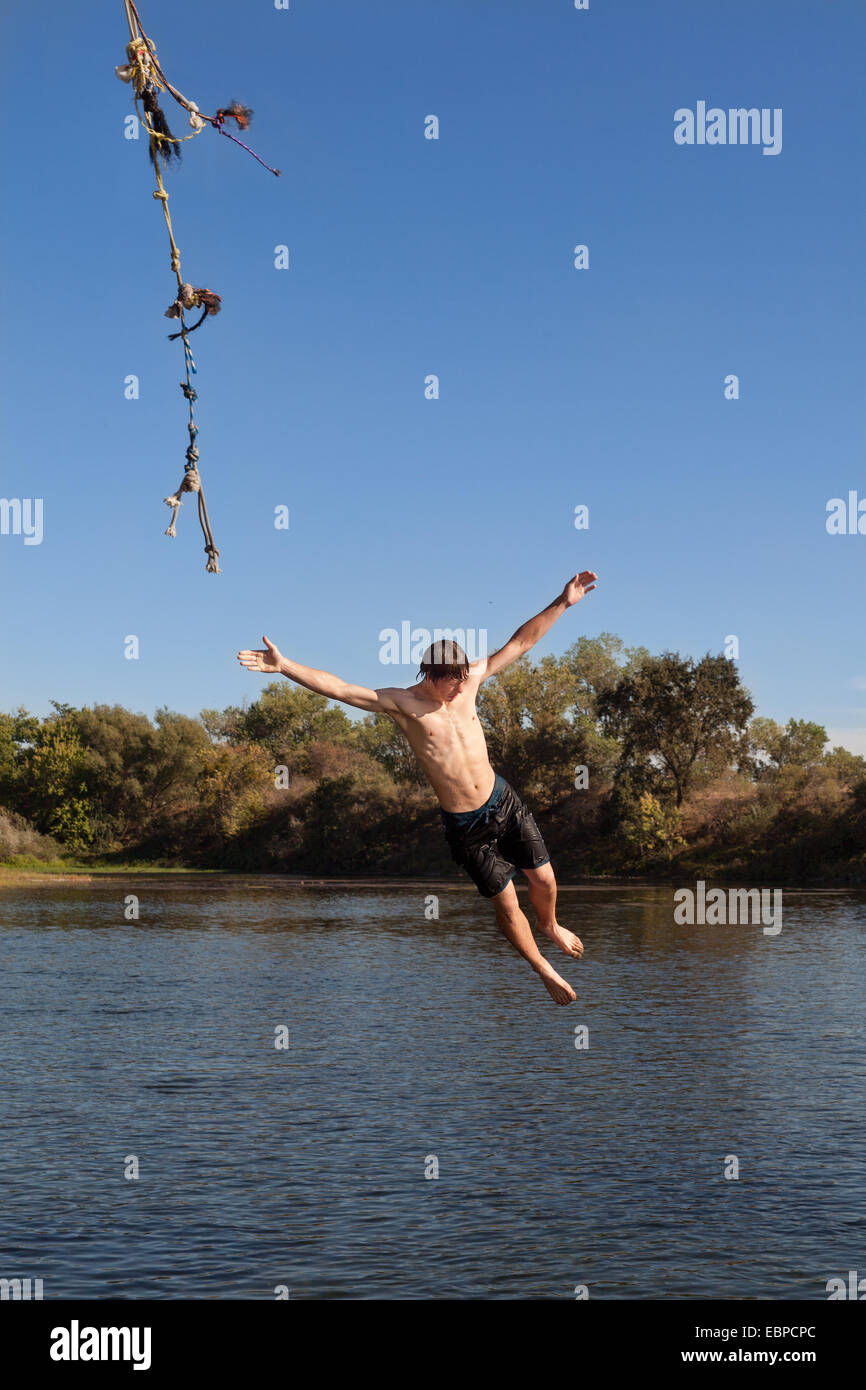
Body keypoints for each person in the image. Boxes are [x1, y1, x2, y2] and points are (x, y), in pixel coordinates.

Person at [238, 571, 598, 1005]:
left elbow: (521, 643)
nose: (463, 686)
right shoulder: (402, 704)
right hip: (466, 827)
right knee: (506, 905)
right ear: (431, 674)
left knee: (545, 879)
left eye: (465, 677)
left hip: (502, 801)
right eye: (454, 680)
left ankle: (550, 925)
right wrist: (284, 666)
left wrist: (563, 602)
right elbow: (339, 688)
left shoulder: (470, 681)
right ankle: (544, 969)